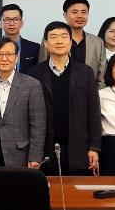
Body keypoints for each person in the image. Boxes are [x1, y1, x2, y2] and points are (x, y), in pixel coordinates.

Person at [28, 21, 101, 176]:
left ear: (71, 42)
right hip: (45, 147)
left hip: (78, 145)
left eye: (63, 36)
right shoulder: (34, 73)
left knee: (76, 189)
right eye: (53, 37)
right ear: (46, 44)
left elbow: (93, 112)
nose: (59, 41)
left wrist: (94, 147)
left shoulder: (85, 72)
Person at [0, 37, 45, 169]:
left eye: (9, 54)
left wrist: (35, 156)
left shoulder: (32, 85)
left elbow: (38, 125)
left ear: (16, 57)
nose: (4, 58)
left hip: (20, 154)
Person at [0, 4, 40, 74]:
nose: (12, 23)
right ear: (0, 24)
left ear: (21, 23)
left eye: (16, 19)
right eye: (7, 19)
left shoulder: (34, 48)